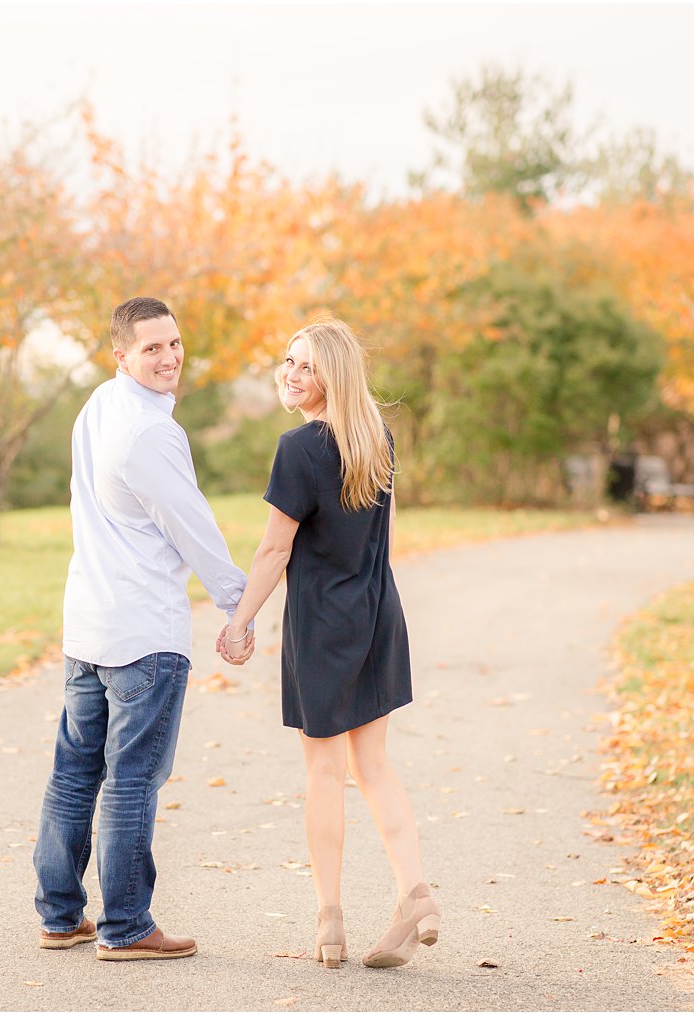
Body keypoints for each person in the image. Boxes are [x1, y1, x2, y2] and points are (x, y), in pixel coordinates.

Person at [33, 296, 254, 961]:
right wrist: (235, 606)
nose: (168, 357)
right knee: (129, 778)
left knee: (74, 772)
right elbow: (193, 525)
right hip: (141, 634)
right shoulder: (150, 431)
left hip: (89, 623)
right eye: (152, 347)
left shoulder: (100, 405)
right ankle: (125, 925)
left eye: (175, 343)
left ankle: (59, 915)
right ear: (121, 354)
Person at [216, 317, 438, 970]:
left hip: (321, 624)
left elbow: (274, 547)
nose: (289, 372)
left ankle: (330, 918)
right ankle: (415, 892)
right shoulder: (379, 440)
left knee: (323, 771)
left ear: (330, 378)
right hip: (377, 615)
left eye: (304, 365)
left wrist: (239, 622)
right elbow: (384, 534)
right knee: (373, 767)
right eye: (286, 360)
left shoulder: (299, 448)